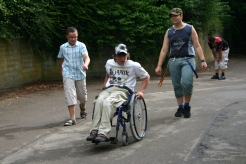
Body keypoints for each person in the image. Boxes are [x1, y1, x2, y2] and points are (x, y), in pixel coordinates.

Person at [86, 43, 150, 142]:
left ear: (127, 55)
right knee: (99, 101)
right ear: (115, 56)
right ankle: (94, 130)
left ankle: (103, 133)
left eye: (124, 55)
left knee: (108, 102)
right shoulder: (109, 63)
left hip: (123, 91)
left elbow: (146, 77)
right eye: (119, 56)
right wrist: (104, 86)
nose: (122, 58)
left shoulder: (134, 65)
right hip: (109, 89)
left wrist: (141, 91)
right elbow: (108, 74)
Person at [155, 8, 207, 118]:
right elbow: (164, 49)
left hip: (187, 59)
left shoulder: (189, 28)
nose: (173, 17)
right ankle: (180, 106)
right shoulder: (169, 31)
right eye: (171, 16)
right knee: (177, 85)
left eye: (176, 15)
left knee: (186, 83)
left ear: (181, 16)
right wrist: (159, 65)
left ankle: (187, 105)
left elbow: (197, 45)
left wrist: (203, 60)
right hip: (173, 60)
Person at [57, 27, 90, 126]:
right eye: (71, 37)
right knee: (70, 94)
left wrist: (86, 64)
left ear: (77, 36)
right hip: (68, 74)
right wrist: (61, 71)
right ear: (67, 37)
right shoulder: (63, 47)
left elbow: (86, 57)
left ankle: (83, 108)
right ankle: (72, 118)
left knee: (82, 97)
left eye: (75, 37)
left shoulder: (81, 46)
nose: (73, 39)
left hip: (80, 73)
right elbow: (61, 60)